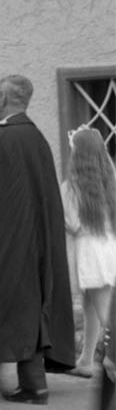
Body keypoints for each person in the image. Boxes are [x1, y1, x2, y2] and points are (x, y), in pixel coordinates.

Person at [0, 74, 74, 403]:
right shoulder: (38, 139)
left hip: (9, 242)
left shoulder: (1, 139)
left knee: (7, 300)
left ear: (3, 98)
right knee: (27, 302)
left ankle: (34, 385)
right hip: (37, 240)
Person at [61, 126, 116, 379]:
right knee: (92, 304)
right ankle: (85, 359)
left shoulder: (72, 187)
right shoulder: (111, 180)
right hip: (109, 245)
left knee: (106, 312)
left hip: (90, 251)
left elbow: (71, 223)